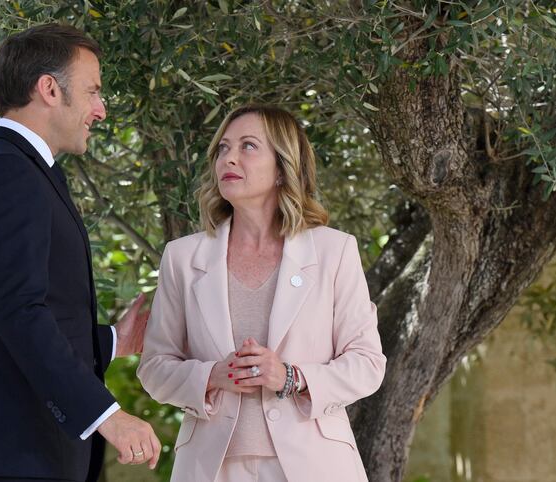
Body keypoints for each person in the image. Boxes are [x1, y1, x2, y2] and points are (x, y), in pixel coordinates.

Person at [0, 24, 160, 482]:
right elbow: (20, 313)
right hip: (17, 455)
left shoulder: (19, 169)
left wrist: (116, 341)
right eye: (92, 91)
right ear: (48, 89)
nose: (100, 110)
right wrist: (108, 416)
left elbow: (19, 318)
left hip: (30, 453)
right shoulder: (8, 171)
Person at [137, 104, 387, 481]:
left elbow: (368, 364)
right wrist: (212, 377)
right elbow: (154, 368)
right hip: (211, 468)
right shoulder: (182, 257)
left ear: (283, 168)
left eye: (248, 146)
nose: (230, 158)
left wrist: (291, 376)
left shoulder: (334, 251)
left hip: (313, 466)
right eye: (223, 148)